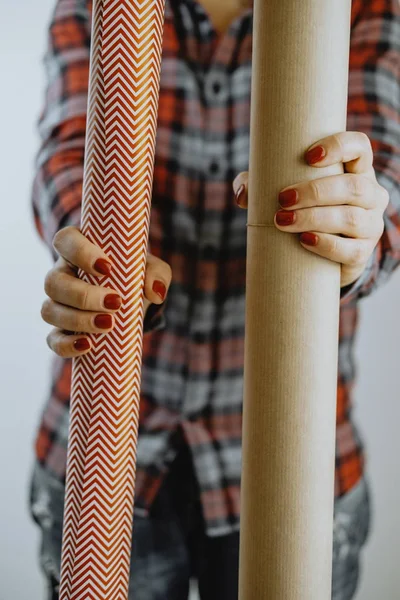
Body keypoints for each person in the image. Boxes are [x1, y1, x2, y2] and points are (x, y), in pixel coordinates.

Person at [29, 0, 400, 598]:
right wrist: (92, 254)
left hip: (297, 463)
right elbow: (70, 150)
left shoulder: (364, 7)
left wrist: (357, 228)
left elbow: (386, 177)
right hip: (101, 454)